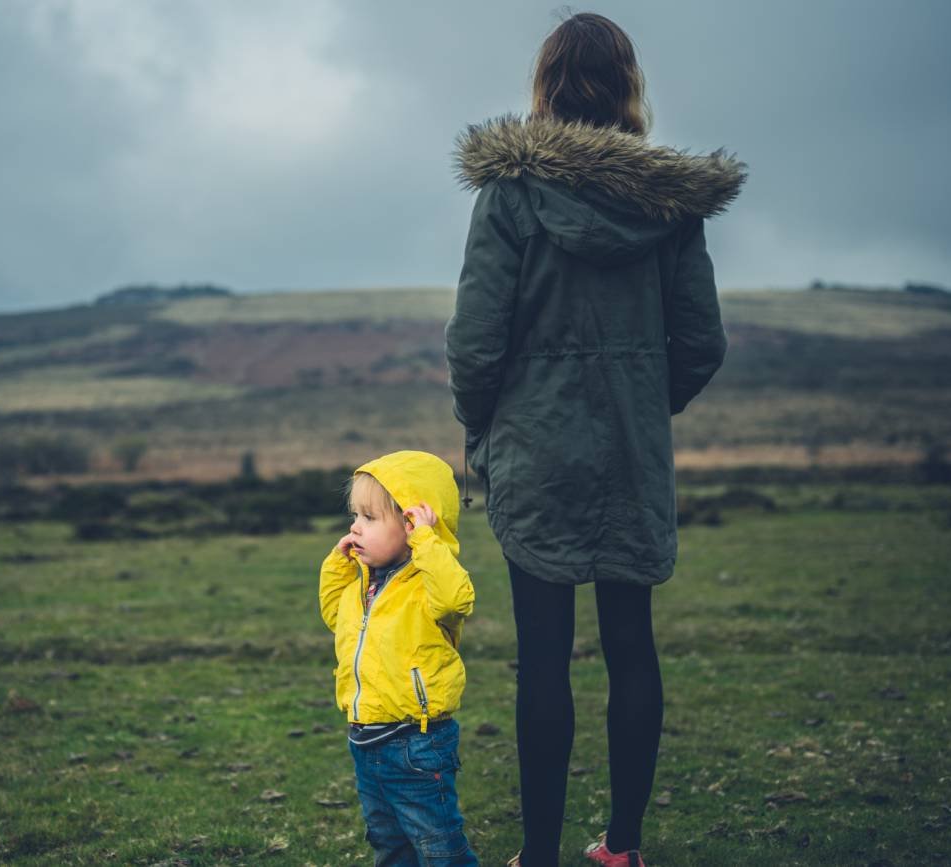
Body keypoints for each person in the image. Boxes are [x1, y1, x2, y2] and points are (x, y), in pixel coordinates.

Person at [445, 12, 746, 867]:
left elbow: (474, 341)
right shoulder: (669, 208)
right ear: (628, 89)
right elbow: (702, 342)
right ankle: (621, 848)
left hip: (534, 450)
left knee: (542, 654)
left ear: (544, 88)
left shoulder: (509, 196)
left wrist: (486, 424)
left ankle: (538, 856)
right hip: (630, 451)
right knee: (631, 645)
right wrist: (645, 404)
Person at [319, 450, 479, 866]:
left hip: (417, 742)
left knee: (438, 843)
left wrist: (426, 540)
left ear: (410, 524)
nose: (355, 527)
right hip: (365, 741)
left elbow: (456, 598)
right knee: (388, 841)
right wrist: (339, 564)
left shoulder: (427, 587)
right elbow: (334, 615)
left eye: (369, 518)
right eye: (355, 516)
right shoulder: (364, 585)